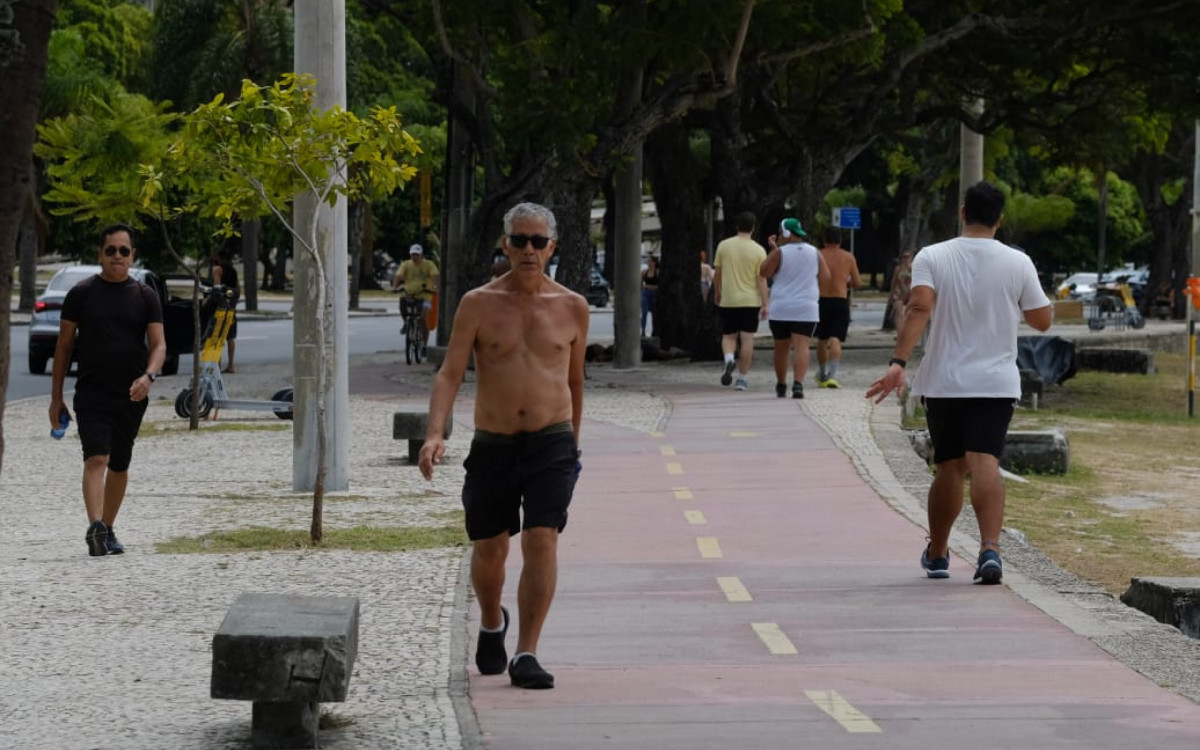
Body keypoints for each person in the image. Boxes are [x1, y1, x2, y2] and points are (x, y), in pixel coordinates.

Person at [419, 202, 588, 690]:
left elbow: (576, 383)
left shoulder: (572, 306)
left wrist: (573, 446)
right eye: (520, 240)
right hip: (493, 442)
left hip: (551, 442)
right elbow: (451, 372)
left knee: (542, 538)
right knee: (490, 548)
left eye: (538, 241)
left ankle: (527, 653)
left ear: (553, 246)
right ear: (505, 244)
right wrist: (435, 433)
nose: (529, 250)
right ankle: (493, 622)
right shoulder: (478, 303)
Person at [866, 181, 1052, 585]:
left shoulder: (933, 255)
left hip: (945, 380)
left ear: (962, 212)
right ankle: (990, 549)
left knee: (949, 466)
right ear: (1000, 219)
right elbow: (1042, 319)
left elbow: (918, 307)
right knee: (986, 461)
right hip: (996, 382)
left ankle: (937, 553)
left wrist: (898, 362)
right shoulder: (1018, 262)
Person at [49, 223, 166, 557]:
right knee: (96, 457)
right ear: (100, 254)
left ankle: (108, 529)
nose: (117, 256)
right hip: (91, 393)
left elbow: (158, 346)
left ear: (132, 256)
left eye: (123, 251)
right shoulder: (81, 295)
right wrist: (56, 398)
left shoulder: (145, 296)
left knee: (120, 464)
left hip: (132, 393)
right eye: (111, 250)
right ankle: (95, 526)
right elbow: (64, 347)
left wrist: (149, 377)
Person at [760, 218, 829, 399]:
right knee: (802, 346)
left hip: (781, 307)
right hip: (806, 307)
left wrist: (773, 251)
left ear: (786, 233)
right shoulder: (814, 252)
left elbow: (763, 272)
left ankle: (781, 384)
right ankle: (798, 384)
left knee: (781, 347)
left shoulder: (779, 252)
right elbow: (826, 277)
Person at [713, 211, 769, 390]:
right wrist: (765, 302)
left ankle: (729, 359)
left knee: (729, 336)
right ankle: (742, 379)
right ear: (753, 228)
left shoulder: (724, 246)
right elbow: (761, 279)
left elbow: (718, 274)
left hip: (729, 299)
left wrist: (717, 292)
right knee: (747, 340)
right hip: (750, 300)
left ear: (737, 226)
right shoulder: (759, 250)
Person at [814, 227, 862, 388]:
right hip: (840, 300)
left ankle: (821, 374)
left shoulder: (818, 255)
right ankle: (832, 375)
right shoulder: (848, 257)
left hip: (821, 300)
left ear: (824, 240)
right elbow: (857, 283)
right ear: (840, 240)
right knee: (836, 339)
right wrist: (844, 280)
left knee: (821, 340)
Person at [393, 243, 440, 344]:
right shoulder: (406, 264)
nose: (415, 257)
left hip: (426, 296)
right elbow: (398, 275)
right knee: (402, 302)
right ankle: (406, 322)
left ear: (421, 255)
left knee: (423, 318)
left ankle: (424, 345)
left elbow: (434, 275)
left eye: (417, 255)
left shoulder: (429, 264)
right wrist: (395, 286)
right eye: (413, 255)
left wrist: (435, 286)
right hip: (409, 294)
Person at [211, 249, 240, 373]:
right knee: (230, 336)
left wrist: (209, 300)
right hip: (231, 307)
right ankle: (231, 365)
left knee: (218, 335)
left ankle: (217, 364)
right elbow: (238, 288)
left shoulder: (217, 270)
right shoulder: (233, 271)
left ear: (218, 256)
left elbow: (217, 288)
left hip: (222, 307)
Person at [889, 249, 914, 334]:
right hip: (899, 293)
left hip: (910, 293)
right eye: (904, 257)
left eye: (908, 257)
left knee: (910, 314)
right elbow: (894, 282)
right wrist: (891, 294)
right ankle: (900, 334)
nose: (906, 259)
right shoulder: (898, 269)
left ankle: (908, 333)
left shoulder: (914, 268)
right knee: (899, 313)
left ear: (911, 258)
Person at [640, 255, 660, 336]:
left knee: (654, 314)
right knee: (644, 312)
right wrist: (642, 290)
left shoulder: (657, 272)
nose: (649, 263)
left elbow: (659, 285)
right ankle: (643, 331)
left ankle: (654, 331)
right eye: (648, 261)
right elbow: (640, 283)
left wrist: (649, 286)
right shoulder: (644, 272)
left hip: (654, 293)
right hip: (645, 294)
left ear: (654, 262)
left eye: (650, 261)